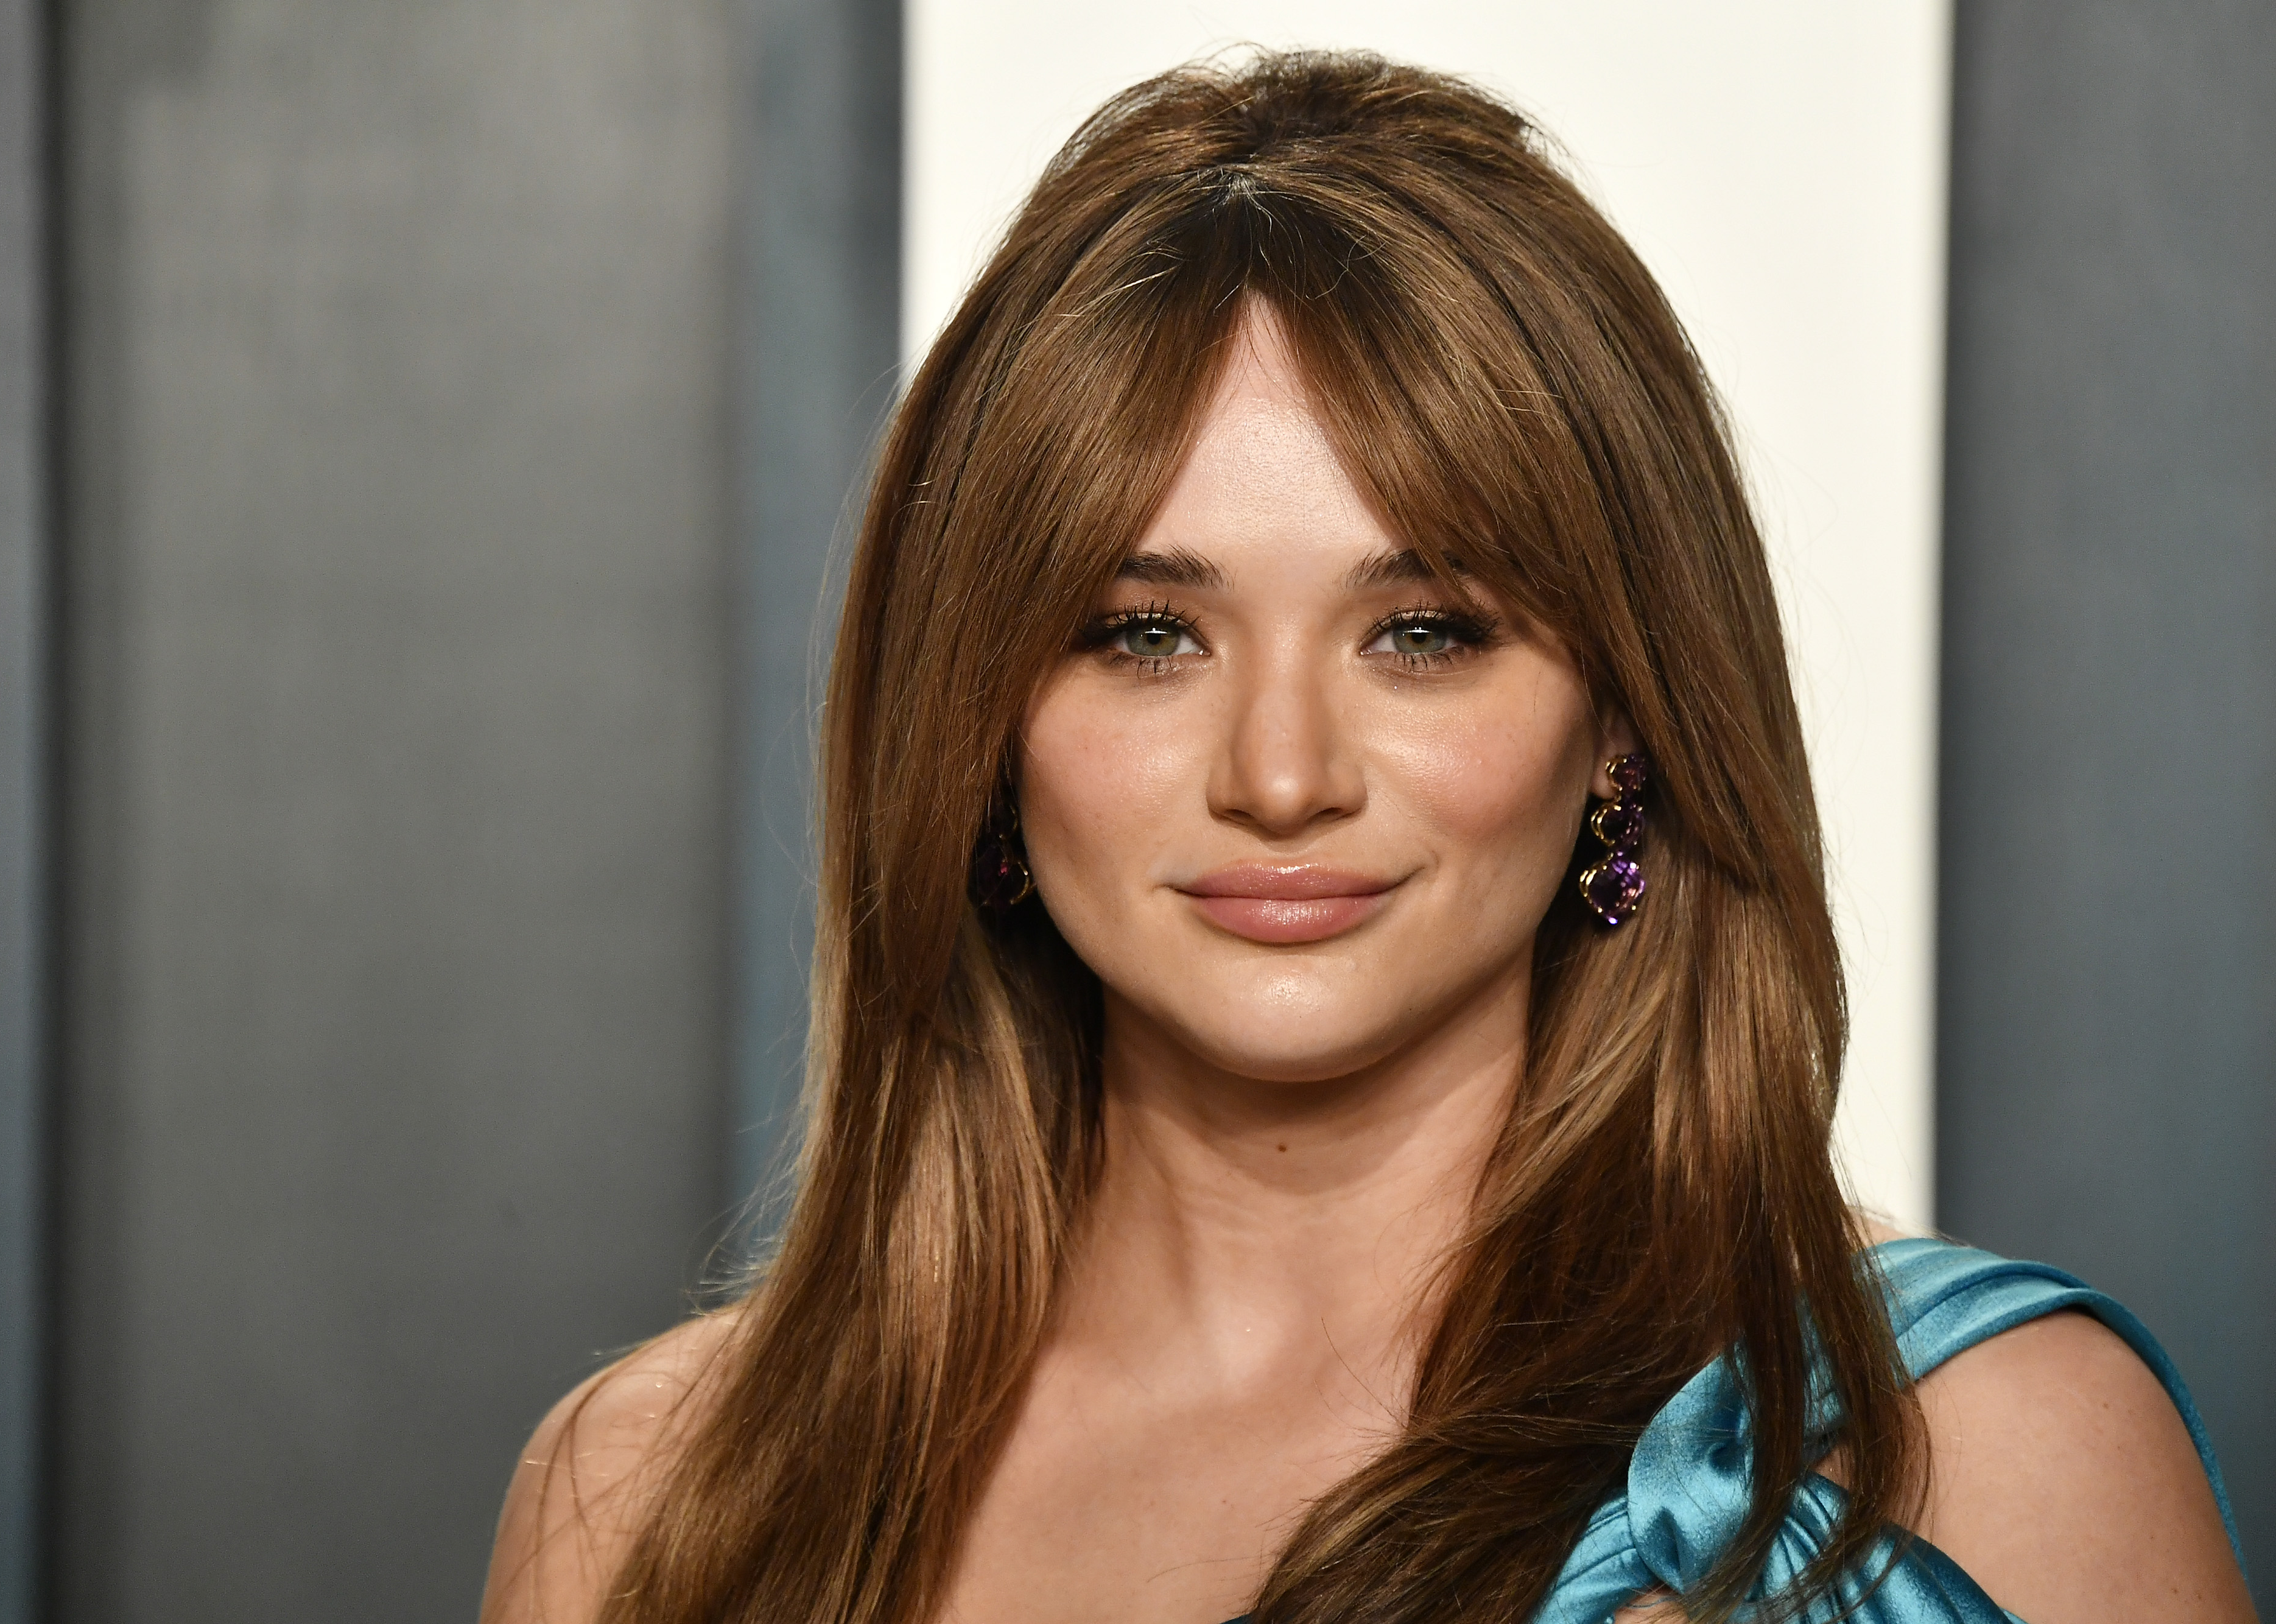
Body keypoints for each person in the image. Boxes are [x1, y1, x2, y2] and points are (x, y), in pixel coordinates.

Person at [479, 51, 2253, 1624]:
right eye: (1143, 632)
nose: (1279, 771)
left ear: (1623, 719)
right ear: (984, 731)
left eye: (1425, 630)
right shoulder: (652, 1501)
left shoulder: (1975, 1460)